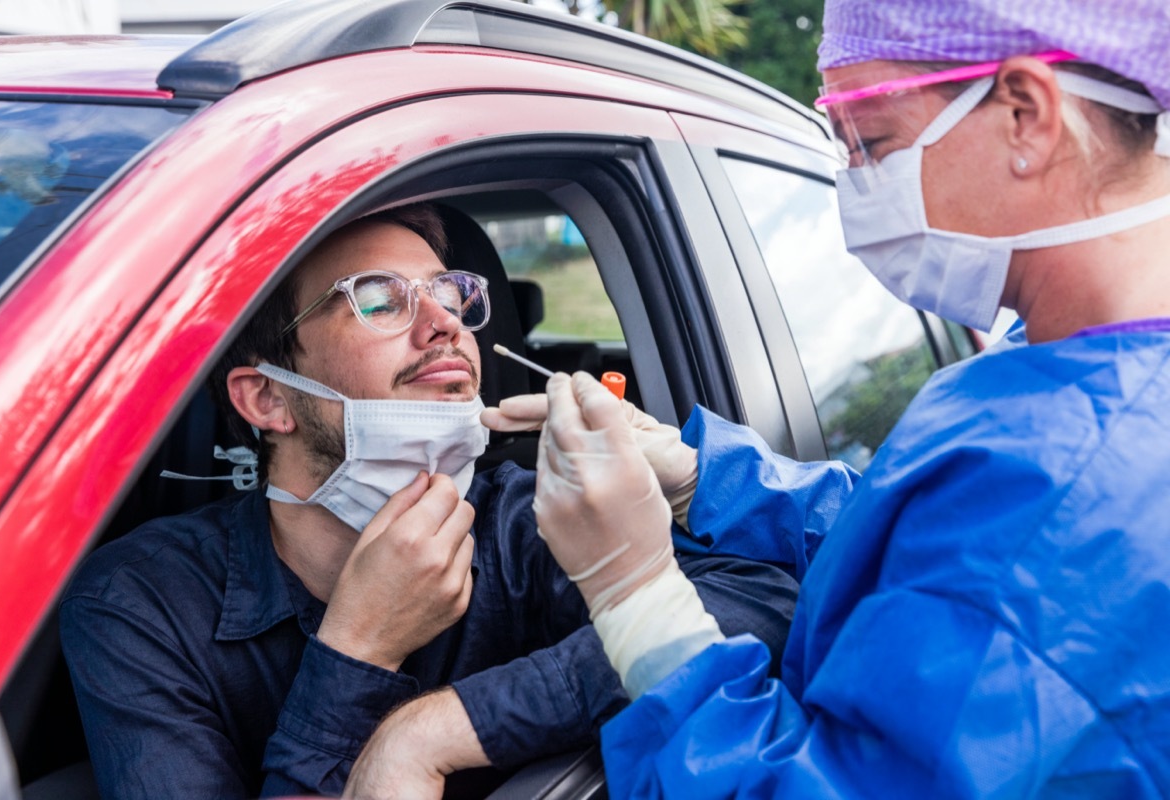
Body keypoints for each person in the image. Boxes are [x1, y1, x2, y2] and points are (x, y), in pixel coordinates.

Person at [478, 1, 1170, 797]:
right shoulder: (1062, 357)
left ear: (1025, 114)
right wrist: (700, 478)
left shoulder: (1077, 482)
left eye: (873, 143)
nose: (855, 188)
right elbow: (919, 550)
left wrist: (636, 598)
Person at [58, 203, 802, 799]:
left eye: (449, 292)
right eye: (379, 299)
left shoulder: (535, 519)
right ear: (268, 398)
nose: (445, 321)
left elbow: (766, 599)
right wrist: (358, 649)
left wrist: (440, 729)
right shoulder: (137, 604)